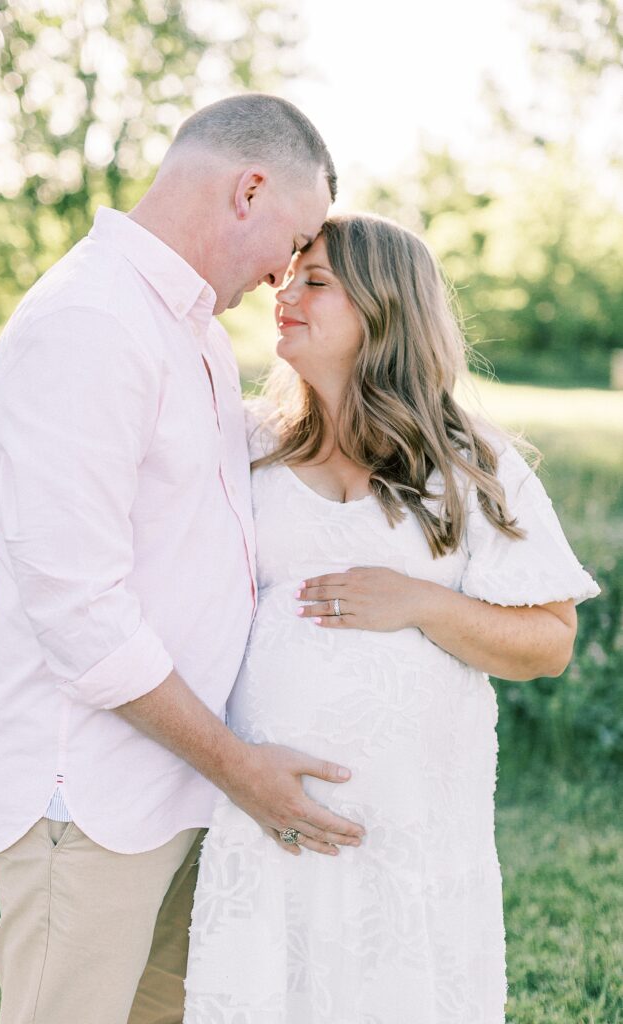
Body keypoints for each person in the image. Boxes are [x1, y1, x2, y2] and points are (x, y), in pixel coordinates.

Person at [0, 95, 367, 1024]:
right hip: (88, 796)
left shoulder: (187, 330)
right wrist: (237, 766)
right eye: (293, 239)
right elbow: (81, 616)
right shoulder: (89, 323)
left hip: (176, 782)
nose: (284, 274)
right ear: (248, 188)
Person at [183, 213, 600, 1023]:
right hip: (266, 819)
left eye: (315, 282)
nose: (283, 296)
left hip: (414, 827)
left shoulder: (470, 462)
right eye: (287, 277)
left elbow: (549, 644)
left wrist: (422, 603)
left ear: (382, 307)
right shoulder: (243, 443)